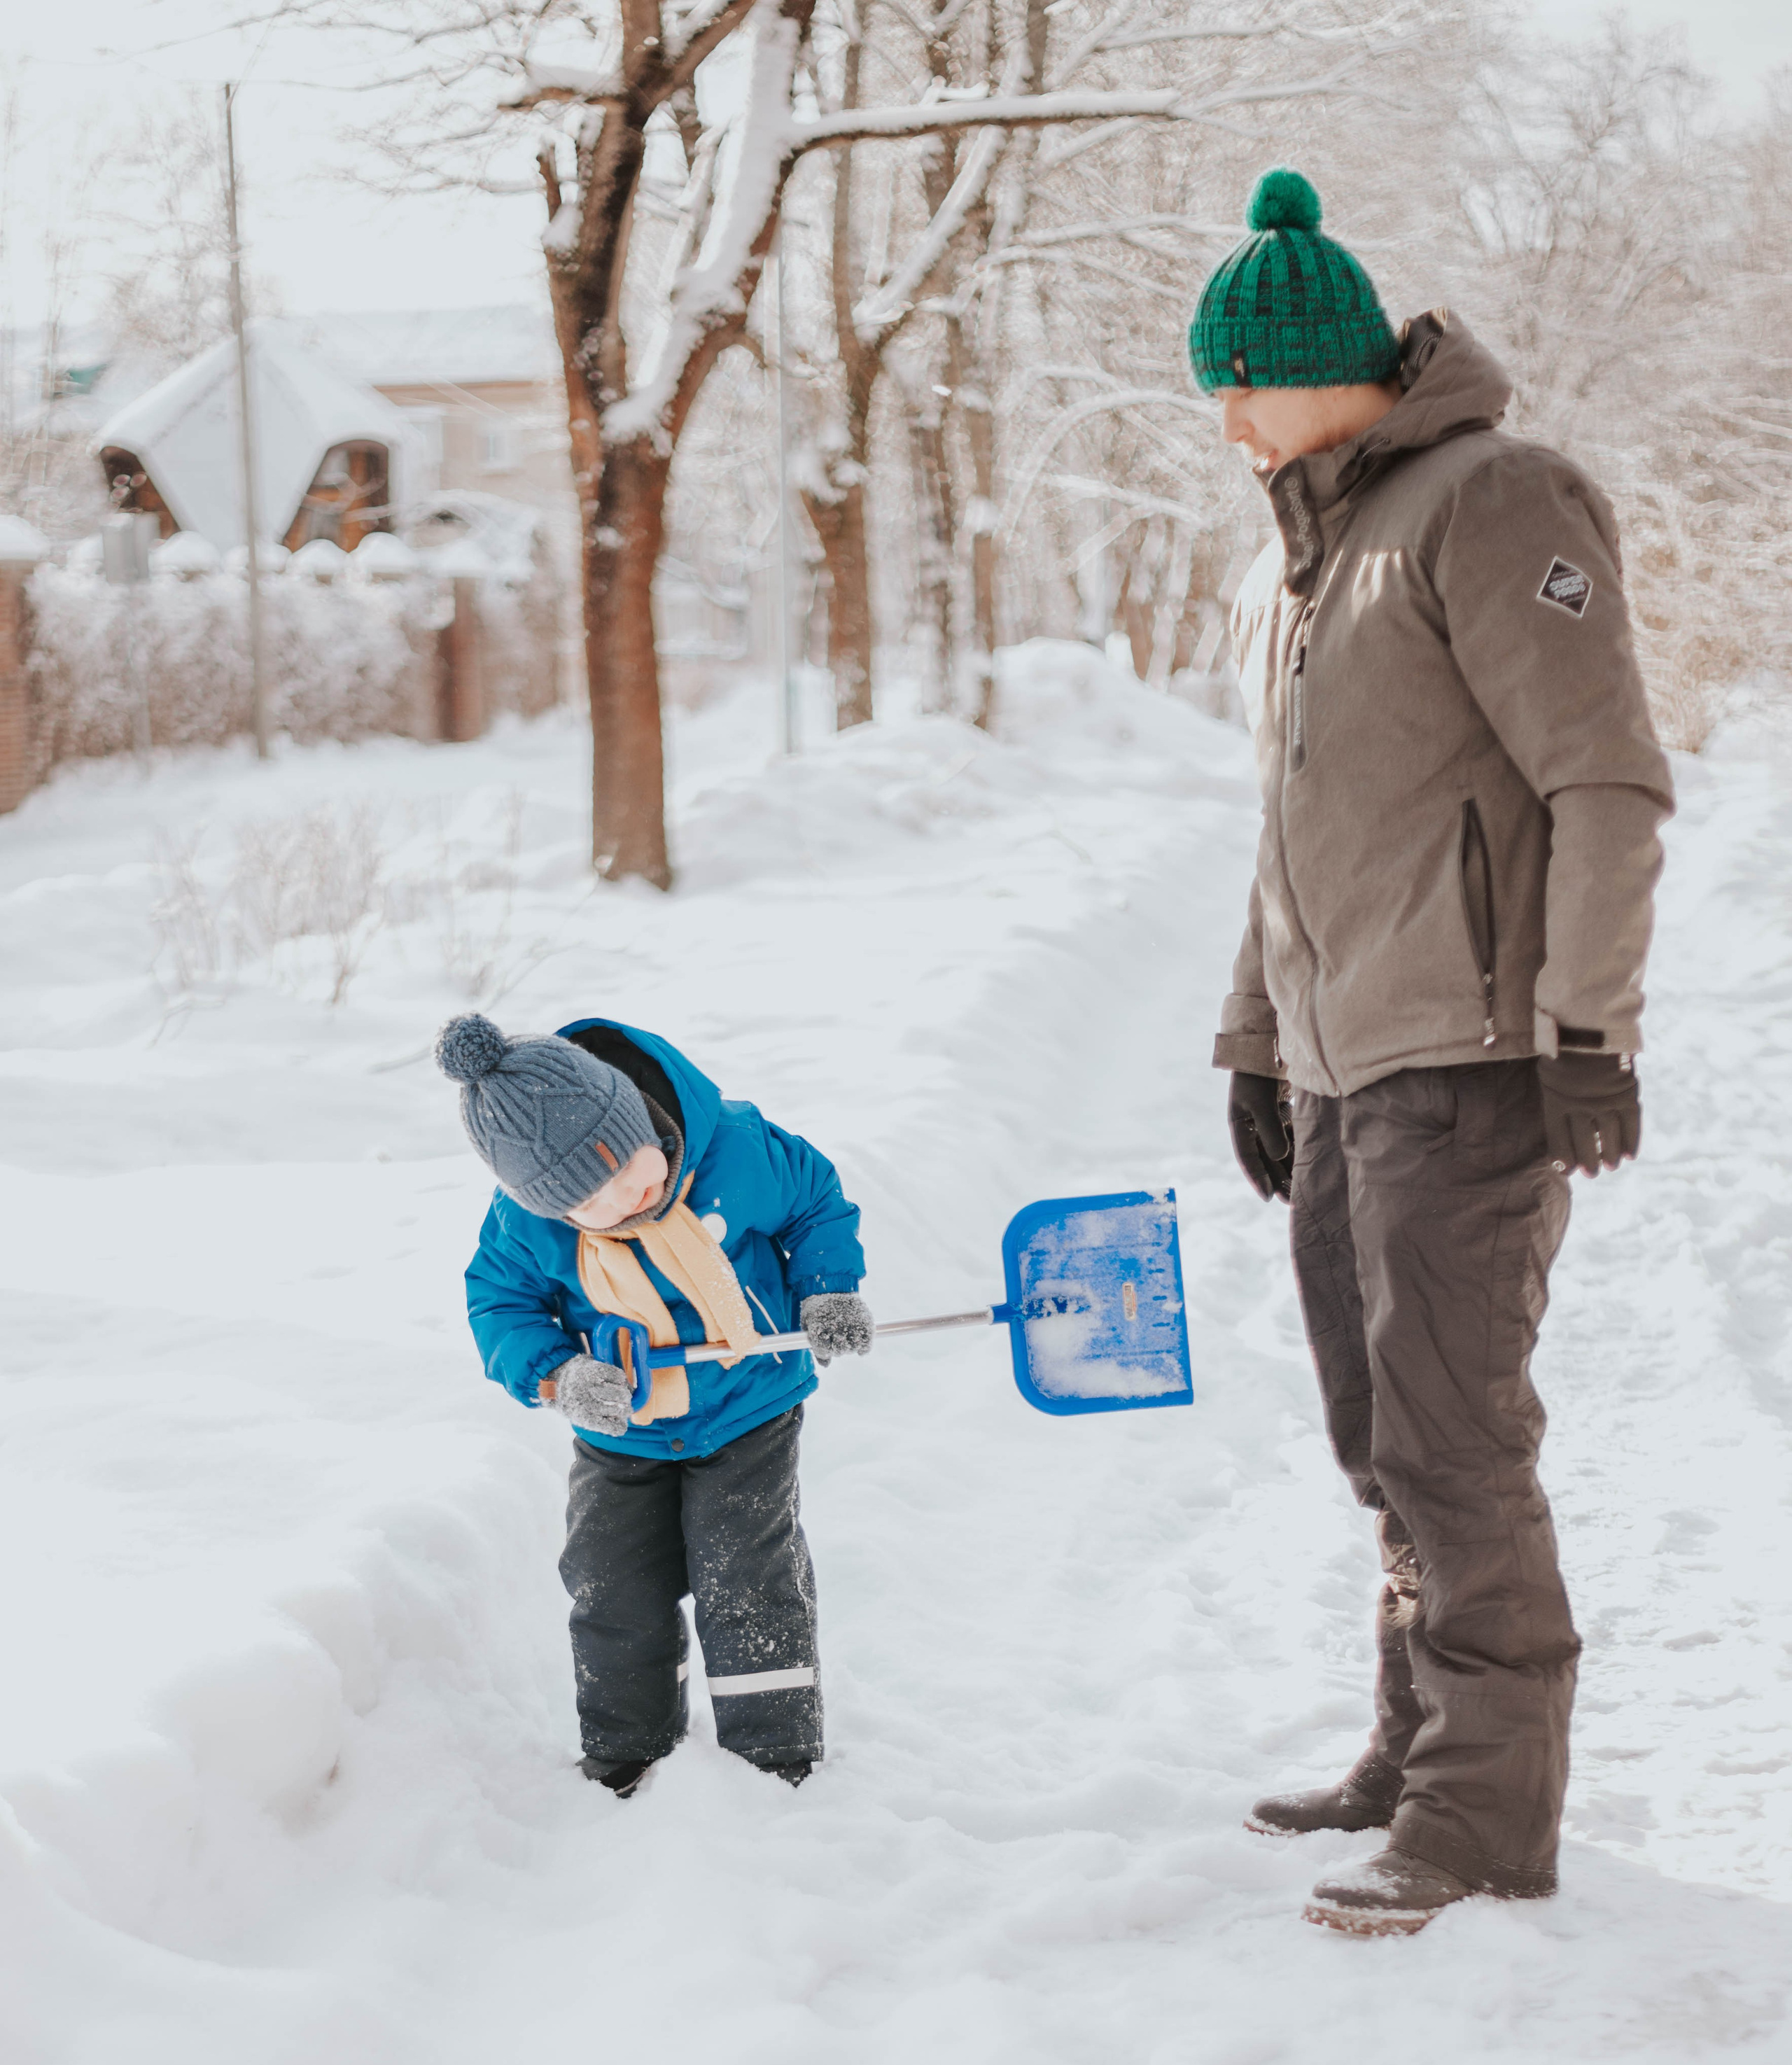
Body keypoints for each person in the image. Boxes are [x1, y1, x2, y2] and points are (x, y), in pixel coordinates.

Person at [1189, 169, 1674, 1935]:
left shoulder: (1489, 500)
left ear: (1323, 367)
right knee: (1368, 1428)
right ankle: (1409, 1746)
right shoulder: (1299, 558)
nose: (1222, 419)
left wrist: (1583, 1028)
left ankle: (1482, 1814)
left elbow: (1601, 778)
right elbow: (1291, 835)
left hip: (1469, 1059)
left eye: (1238, 383)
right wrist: (1256, 1038)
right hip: (1341, 1065)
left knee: (1452, 1436)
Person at [437, 1009, 871, 1798]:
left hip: (747, 1407)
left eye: (632, 1164)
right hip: (624, 1430)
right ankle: (626, 1747)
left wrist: (828, 1289)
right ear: (551, 1206)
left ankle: (773, 1753)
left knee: (745, 1573)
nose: (638, 1192)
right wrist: (557, 1374)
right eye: (599, 1199)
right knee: (612, 1581)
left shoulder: (735, 1151)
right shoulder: (524, 1228)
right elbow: (500, 1306)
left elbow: (816, 1204)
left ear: (636, 1112)